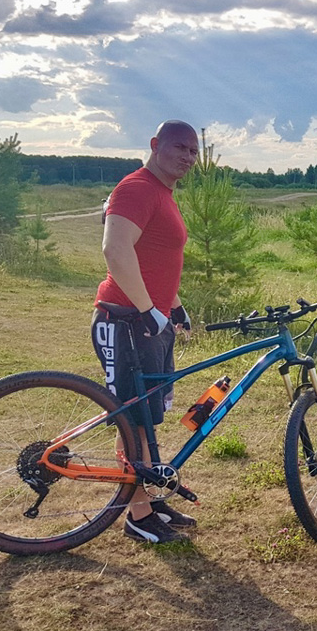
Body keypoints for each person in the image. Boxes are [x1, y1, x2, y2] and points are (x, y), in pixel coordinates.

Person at [92, 120, 199, 545]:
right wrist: (147, 309)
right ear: (155, 145)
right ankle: (137, 514)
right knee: (133, 421)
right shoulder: (136, 188)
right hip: (125, 321)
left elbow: (154, 257)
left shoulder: (163, 194)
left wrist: (173, 307)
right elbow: (114, 249)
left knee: (149, 419)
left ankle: (149, 500)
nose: (188, 156)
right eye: (179, 147)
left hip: (150, 322)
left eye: (194, 151)